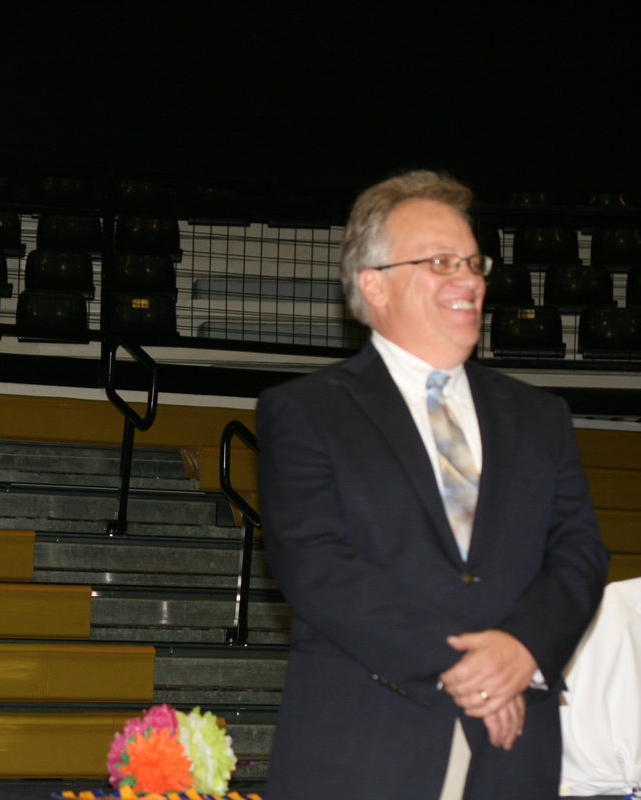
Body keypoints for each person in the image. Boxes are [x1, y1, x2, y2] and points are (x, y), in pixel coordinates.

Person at [255, 170, 608, 799]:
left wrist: (522, 649)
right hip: (361, 750)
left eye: (474, 262)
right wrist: (463, 667)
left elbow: (578, 555)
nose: (469, 280)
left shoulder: (541, 416)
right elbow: (318, 568)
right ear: (374, 284)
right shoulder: (307, 412)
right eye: (442, 261)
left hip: (514, 752)